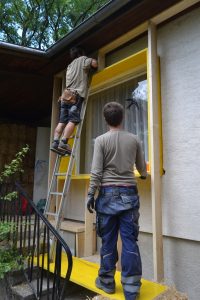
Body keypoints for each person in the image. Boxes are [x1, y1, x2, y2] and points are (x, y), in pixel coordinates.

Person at [87, 102, 147, 300]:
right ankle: (131, 290)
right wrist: (145, 175)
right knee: (130, 241)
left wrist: (90, 194)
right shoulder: (134, 139)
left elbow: (96, 171)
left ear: (106, 120)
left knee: (108, 240)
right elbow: (141, 168)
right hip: (129, 193)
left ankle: (106, 282)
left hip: (107, 195)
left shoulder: (101, 141)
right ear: (123, 118)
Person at [51, 46, 98, 154]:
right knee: (73, 120)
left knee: (62, 121)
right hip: (75, 97)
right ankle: (64, 142)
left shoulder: (70, 65)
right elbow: (94, 64)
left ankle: (55, 142)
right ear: (81, 53)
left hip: (65, 96)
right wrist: (92, 60)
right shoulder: (83, 59)